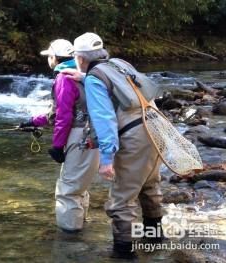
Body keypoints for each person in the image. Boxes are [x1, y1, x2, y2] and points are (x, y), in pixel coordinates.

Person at [66, 32, 163, 259]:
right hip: (157, 127)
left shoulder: (94, 80)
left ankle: (124, 254)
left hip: (135, 136)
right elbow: (127, 88)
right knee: (150, 185)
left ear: (80, 57)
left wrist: (107, 160)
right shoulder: (119, 63)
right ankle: (155, 241)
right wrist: (83, 77)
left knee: (121, 201)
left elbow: (105, 120)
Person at [19, 39, 99, 233]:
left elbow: (63, 116)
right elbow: (59, 113)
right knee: (79, 185)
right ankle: (80, 227)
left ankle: (69, 239)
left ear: (54, 58)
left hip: (80, 135)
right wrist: (34, 121)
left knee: (68, 190)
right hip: (96, 134)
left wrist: (57, 146)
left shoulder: (64, 77)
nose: (49, 60)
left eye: (49, 56)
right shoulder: (84, 74)